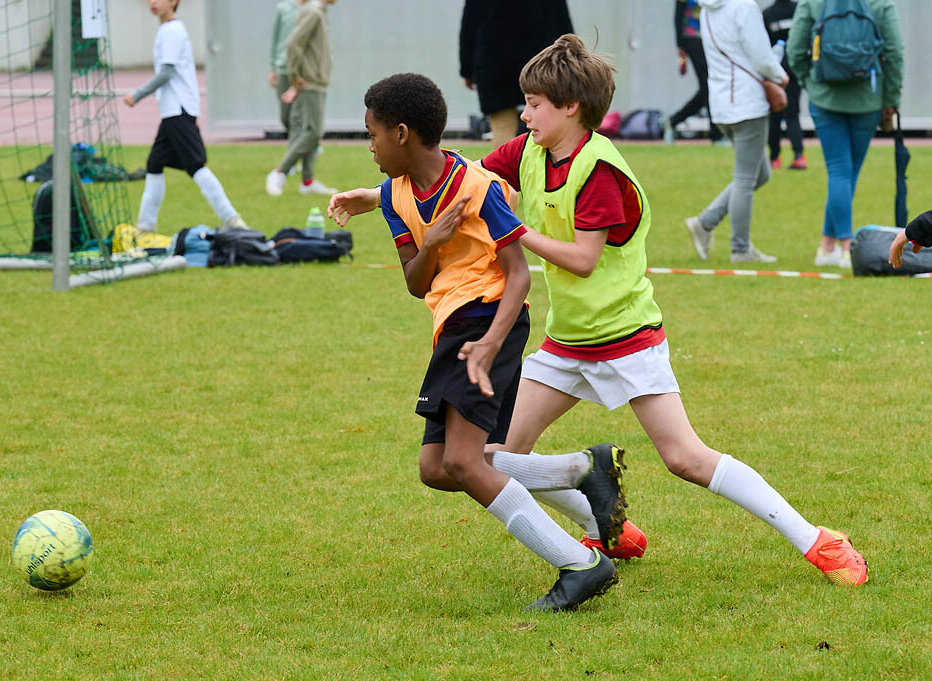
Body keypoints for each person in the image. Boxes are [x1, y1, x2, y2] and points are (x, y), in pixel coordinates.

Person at [476, 34, 866, 587]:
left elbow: (584, 260)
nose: (524, 114)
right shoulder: (527, 151)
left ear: (570, 107)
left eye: (534, 104)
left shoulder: (601, 171)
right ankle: (607, 525)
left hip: (627, 339)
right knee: (493, 458)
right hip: (567, 343)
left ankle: (820, 540)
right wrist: (379, 196)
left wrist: (514, 229)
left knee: (686, 458)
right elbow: (463, 180)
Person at [328, 72, 622, 612]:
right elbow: (416, 283)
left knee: (464, 463)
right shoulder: (394, 197)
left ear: (400, 133)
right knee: (436, 468)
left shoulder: (477, 188)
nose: (369, 147)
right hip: (452, 328)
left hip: (488, 320)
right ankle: (581, 474)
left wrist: (490, 343)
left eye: (371, 135)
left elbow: (519, 275)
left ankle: (580, 564)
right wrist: (432, 243)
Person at [787, 0, 903, 269]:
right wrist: (890, 97)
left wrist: (809, 82)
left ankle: (828, 246)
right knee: (847, 174)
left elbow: (795, 49)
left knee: (840, 172)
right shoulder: (881, 3)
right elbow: (895, 52)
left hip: (825, 97)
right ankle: (847, 248)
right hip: (868, 97)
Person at [124, 0, 246, 231]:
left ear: (174, 2)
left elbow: (166, 73)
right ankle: (145, 227)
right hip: (172, 110)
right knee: (154, 163)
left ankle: (232, 219)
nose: (153, 3)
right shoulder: (167, 29)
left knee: (195, 165)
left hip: (178, 109)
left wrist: (137, 95)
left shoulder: (172, 30)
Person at [684, 0, 788, 263]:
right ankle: (740, 249)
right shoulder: (744, 7)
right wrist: (780, 76)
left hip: (722, 104)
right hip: (747, 102)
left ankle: (705, 223)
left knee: (759, 173)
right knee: (745, 179)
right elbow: (761, 56)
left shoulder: (707, 9)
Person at [459, 0, 573, 150]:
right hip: (540, 59)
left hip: (494, 62)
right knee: (547, 122)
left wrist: (467, 70)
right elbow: (561, 19)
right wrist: (570, 61)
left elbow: (469, 25)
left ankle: (504, 165)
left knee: (502, 127)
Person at [264, 0, 338, 197]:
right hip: (310, 82)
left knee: (308, 131)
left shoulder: (318, 12)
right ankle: (279, 172)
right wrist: (295, 77)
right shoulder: (313, 13)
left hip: (315, 82)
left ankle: (307, 181)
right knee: (313, 132)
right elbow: (293, 44)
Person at [664, 0, 722, 145]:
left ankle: (673, 121)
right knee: (707, 84)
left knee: (708, 86)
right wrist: (680, 47)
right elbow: (678, 14)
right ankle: (716, 134)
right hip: (692, 36)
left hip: (711, 37)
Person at [763, 0, 805, 169]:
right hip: (794, 70)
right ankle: (799, 156)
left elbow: (763, 46)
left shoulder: (767, 14)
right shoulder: (799, 10)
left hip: (774, 72)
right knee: (792, 115)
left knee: (774, 116)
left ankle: (774, 158)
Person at [267, 0, 299, 135]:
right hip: (283, 68)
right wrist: (272, 68)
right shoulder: (283, 8)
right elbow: (275, 38)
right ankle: (301, 142)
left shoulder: (311, 8)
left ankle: (303, 143)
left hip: (302, 71)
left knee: (300, 116)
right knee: (285, 116)